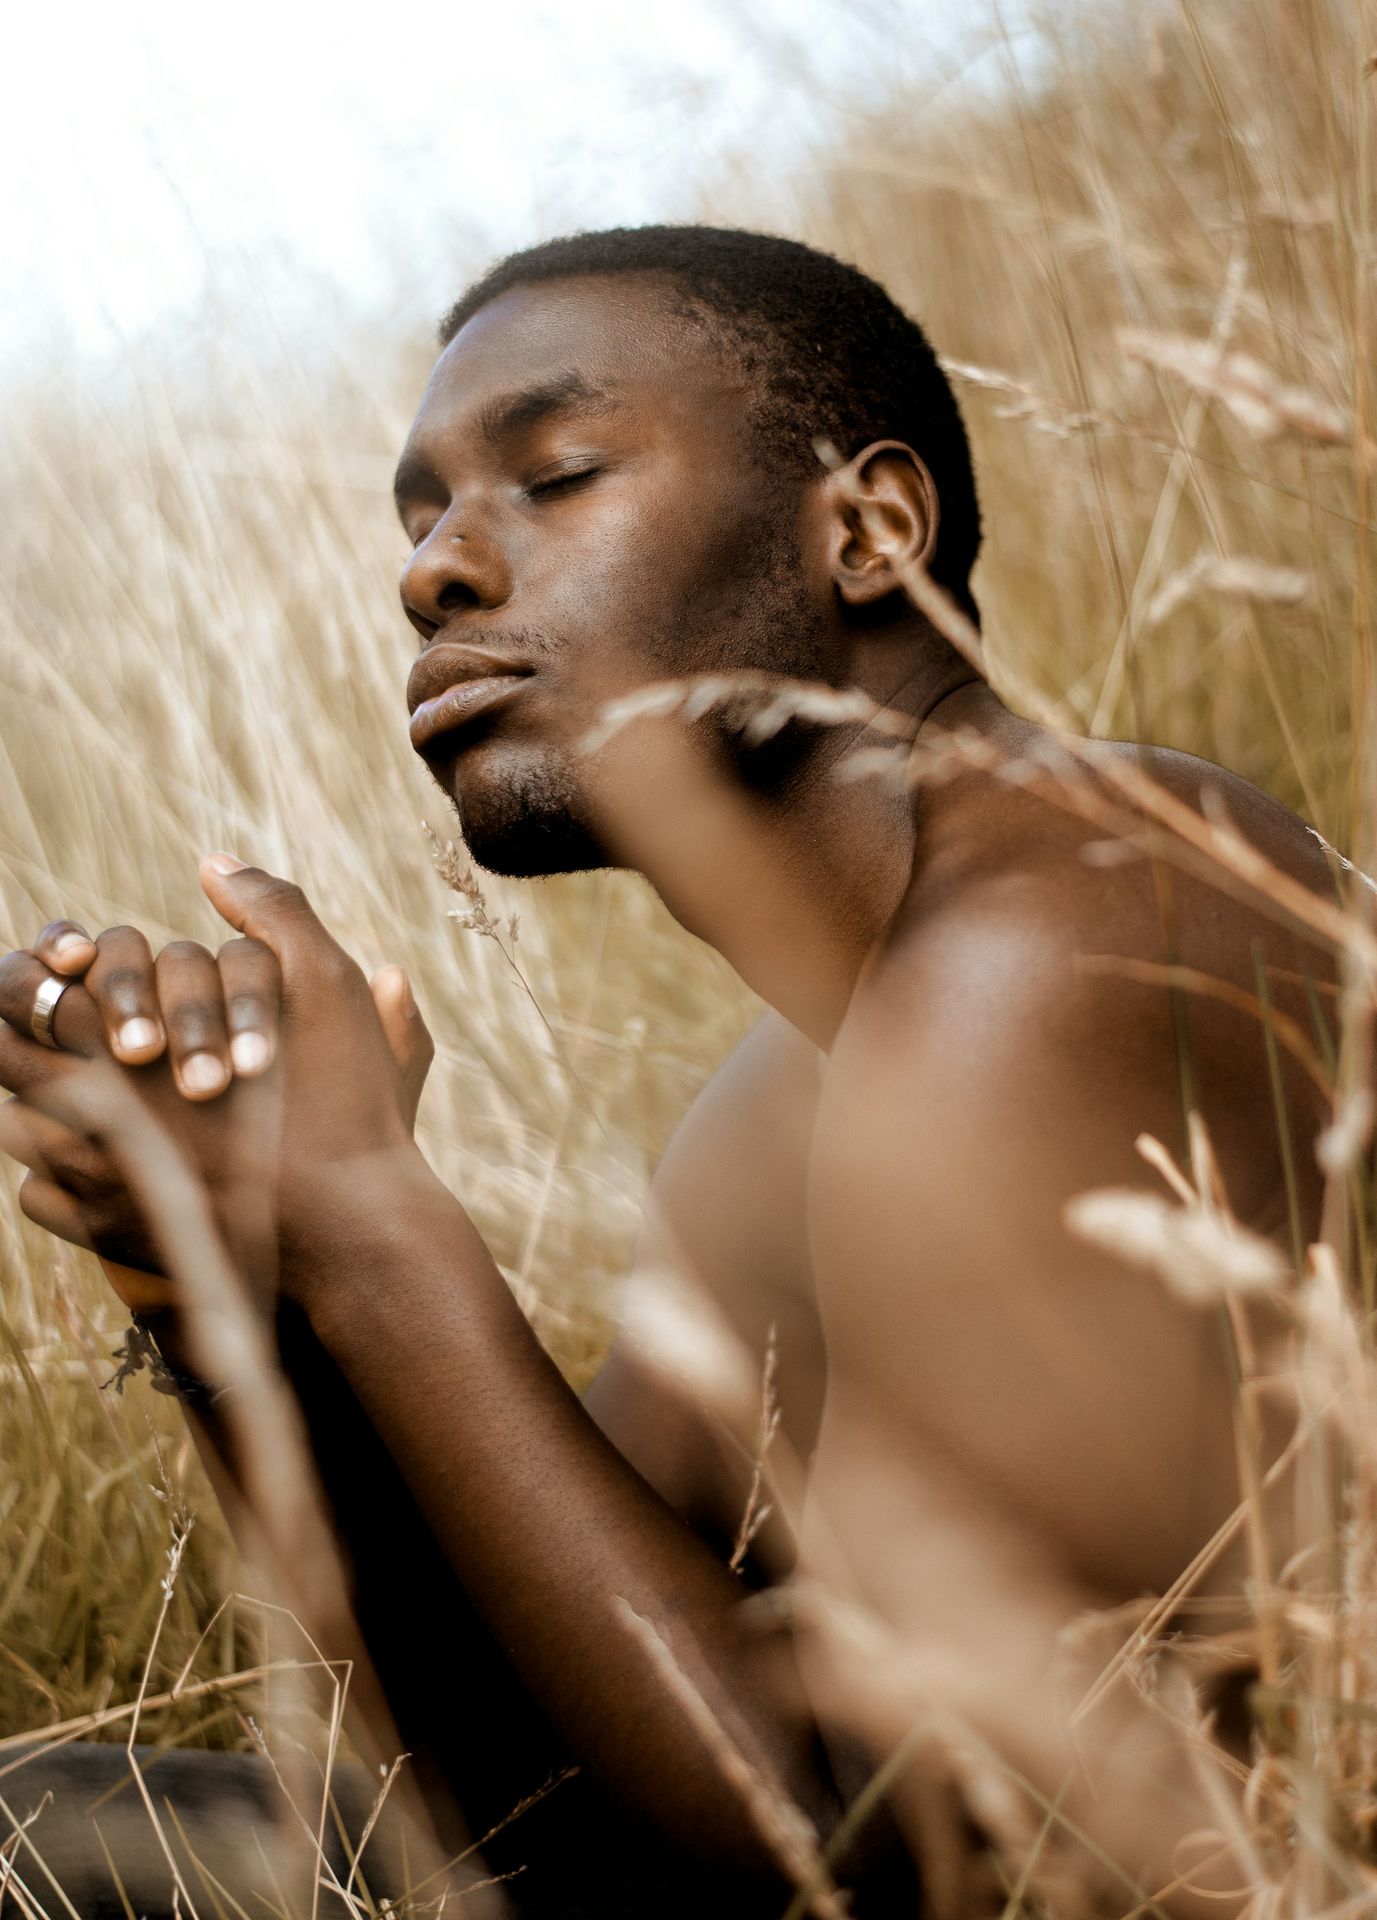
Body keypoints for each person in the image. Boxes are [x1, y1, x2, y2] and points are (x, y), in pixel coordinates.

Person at [0, 226, 1345, 1916]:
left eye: (553, 475)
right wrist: (234, 1287)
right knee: (36, 1824)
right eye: (417, 519)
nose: (434, 572)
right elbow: (542, 1788)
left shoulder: (1067, 932)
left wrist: (367, 1218)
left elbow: (892, 1862)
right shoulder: (785, 1111)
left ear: (867, 531)